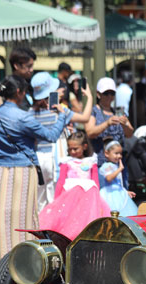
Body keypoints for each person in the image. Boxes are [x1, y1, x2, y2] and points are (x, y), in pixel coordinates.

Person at [0, 75, 69, 269]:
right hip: (23, 170)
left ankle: (1, 262)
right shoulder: (23, 117)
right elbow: (50, 136)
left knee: (2, 217)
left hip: (1, 169)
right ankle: (24, 263)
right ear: (19, 92)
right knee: (26, 217)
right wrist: (63, 116)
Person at [30, 71, 93, 209]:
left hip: (38, 158)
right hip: (55, 158)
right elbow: (85, 118)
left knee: (40, 201)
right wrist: (89, 97)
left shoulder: (30, 112)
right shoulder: (60, 111)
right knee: (55, 199)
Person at [38, 131, 110, 239]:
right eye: (70, 149)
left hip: (88, 195)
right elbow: (61, 180)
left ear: (84, 147)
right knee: (70, 217)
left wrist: (98, 199)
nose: (72, 151)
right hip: (70, 196)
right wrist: (56, 199)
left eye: (75, 149)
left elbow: (95, 180)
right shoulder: (67, 161)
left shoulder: (91, 160)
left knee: (86, 217)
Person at [84, 77, 134, 171]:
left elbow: (130, 134)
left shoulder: (119, 112)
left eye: (112, 93)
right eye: (106, 93)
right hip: (100, 163)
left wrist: (125, 124)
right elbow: (90, 132)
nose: (109, 96)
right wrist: (107, 123)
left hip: (118, 163)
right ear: (98, 94)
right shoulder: (94, 111)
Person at [98, 139, 138, 216]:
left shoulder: (115, 166)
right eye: (116, 153)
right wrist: (120, 169)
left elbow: (118, 183)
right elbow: (108, 178)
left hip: (118, 192)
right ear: (106, 153)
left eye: (120, 153)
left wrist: (125, 192)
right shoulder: (107, 166)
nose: (119, 156)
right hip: (109, 194)